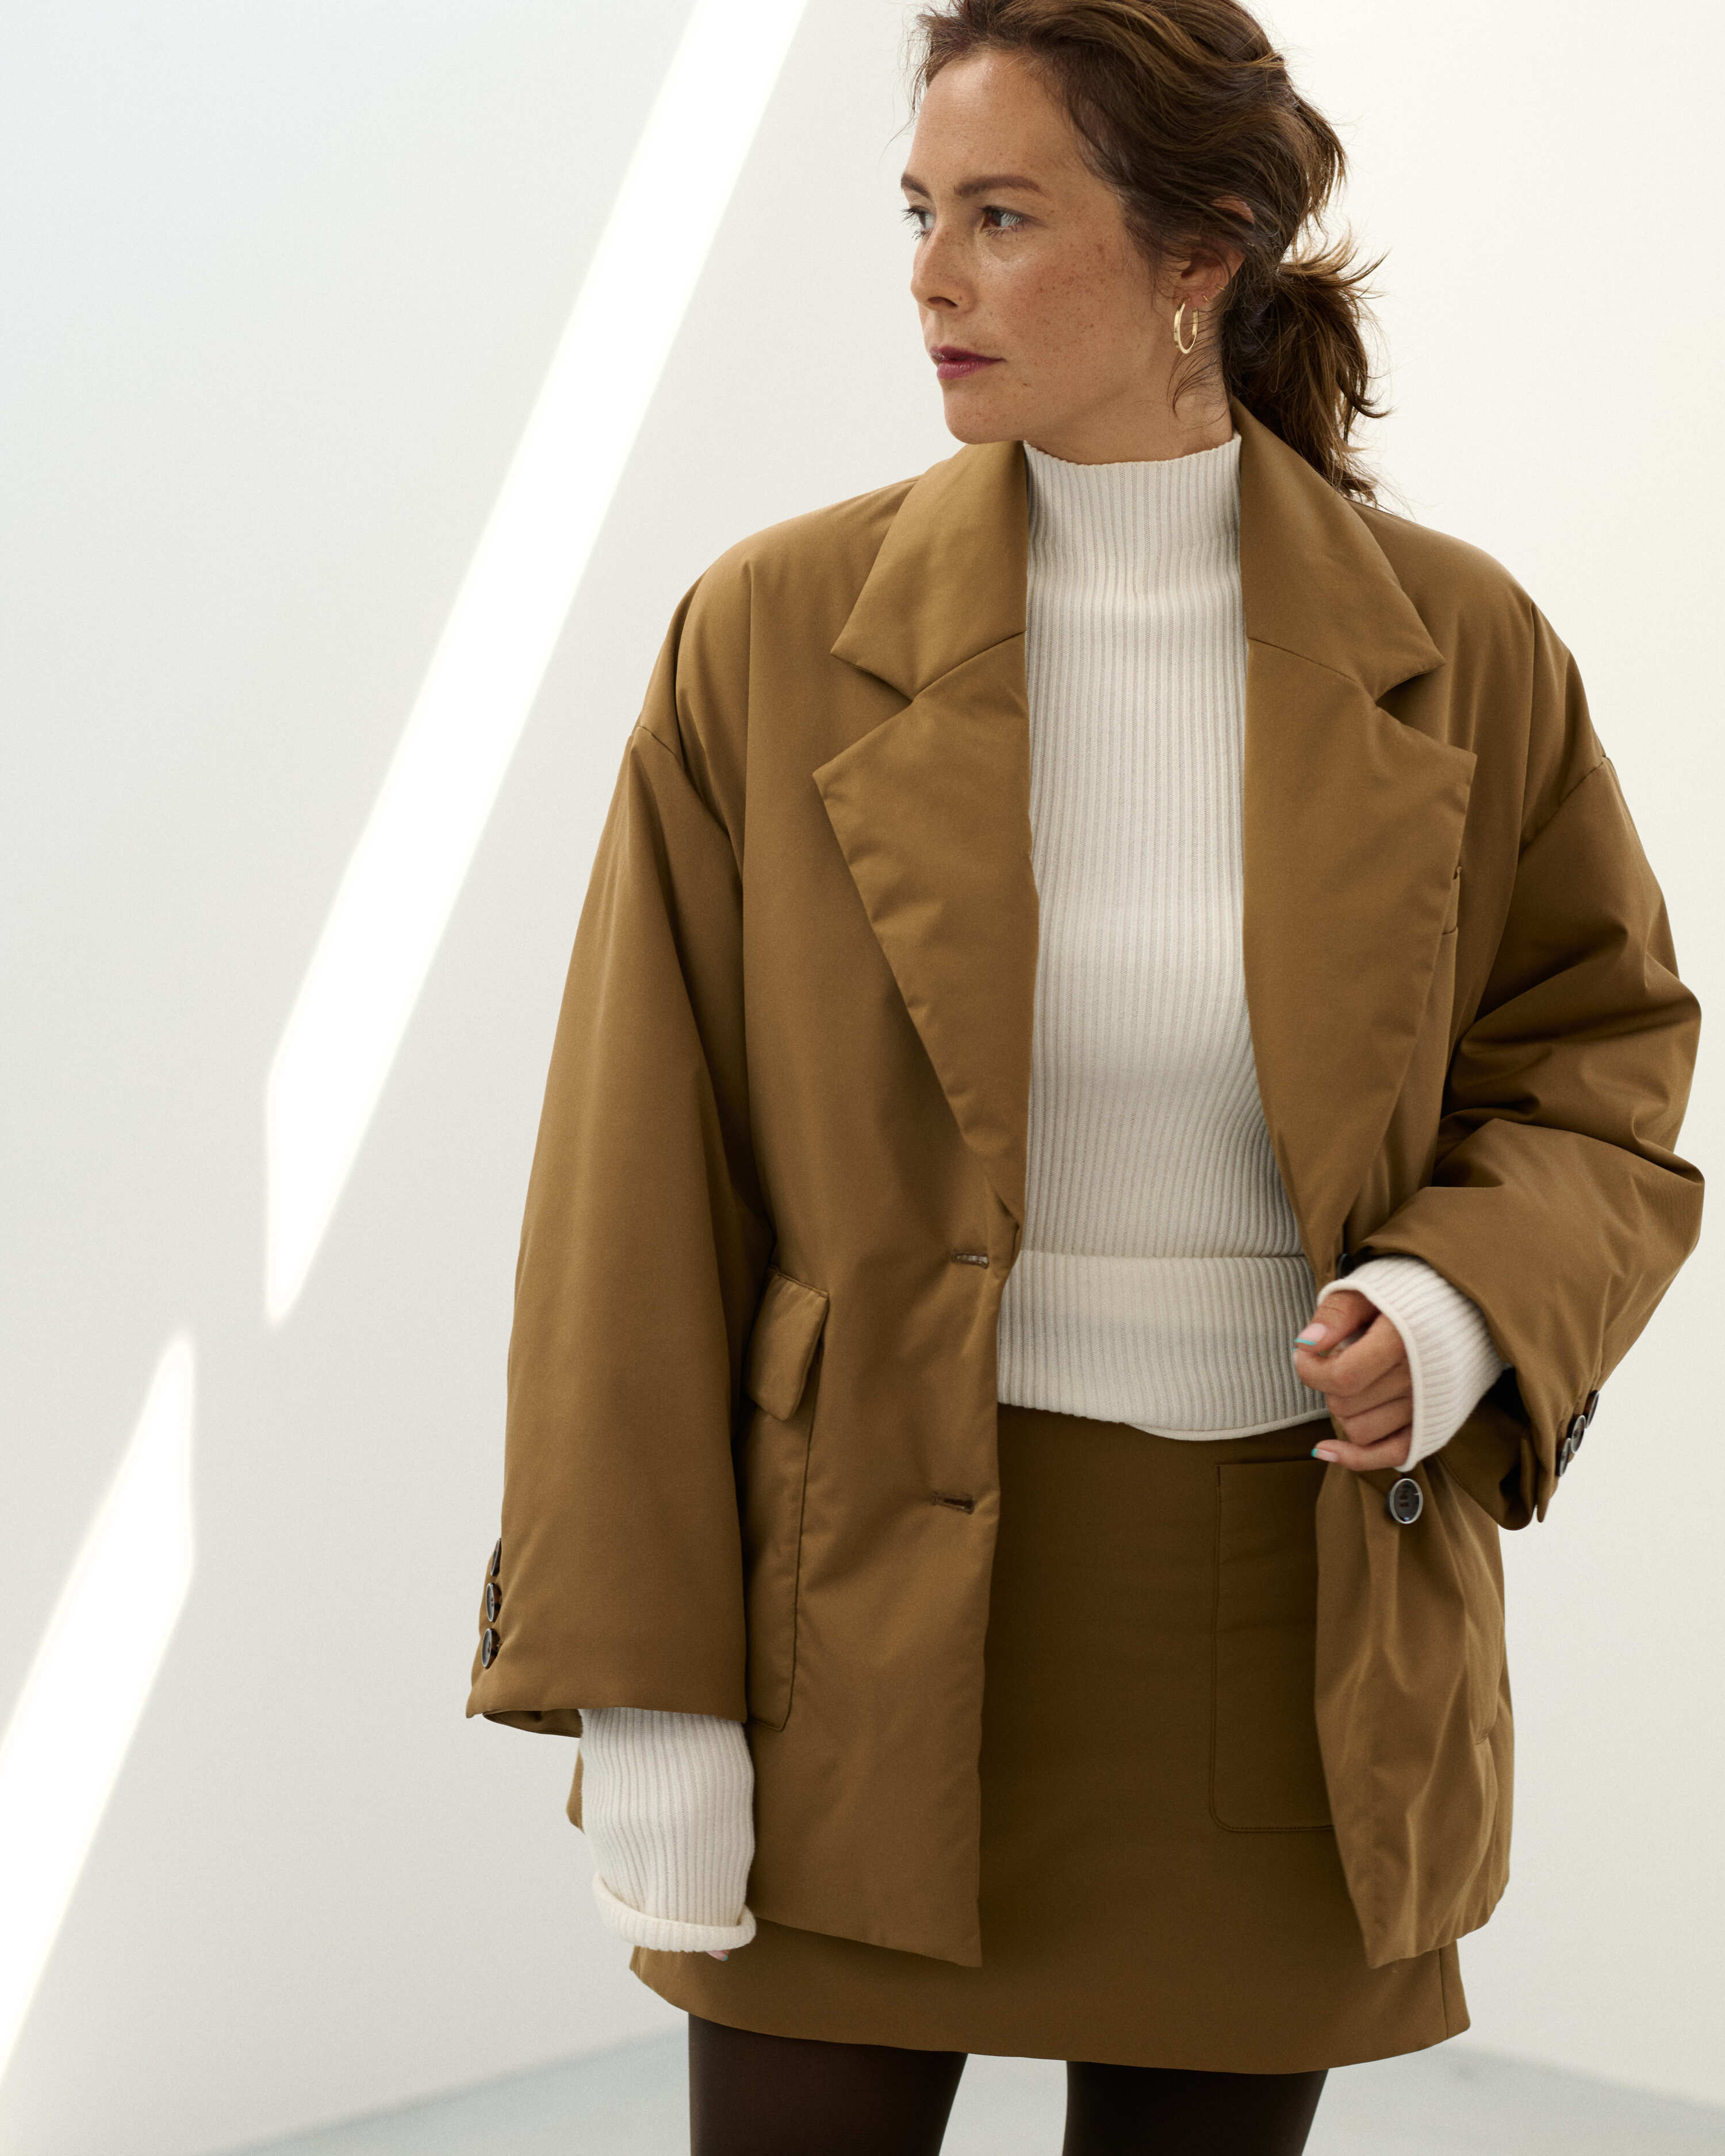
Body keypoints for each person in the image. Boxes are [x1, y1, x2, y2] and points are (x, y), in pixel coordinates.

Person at [466, 2, 1703, 2150]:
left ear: (1199, 255)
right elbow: (630, 1194)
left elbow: (1600, 1060)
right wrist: (645, 1692)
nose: (932, 278)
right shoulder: (769, 636)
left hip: (1280, 1633)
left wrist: (1457, 1305)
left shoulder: (1460, 648)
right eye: (920, 214)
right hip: (849, 1625)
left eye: (1005, 218)